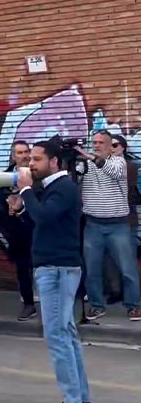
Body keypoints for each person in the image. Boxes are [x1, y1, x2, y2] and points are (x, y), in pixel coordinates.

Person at [11, 139, 90, 403]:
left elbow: (44, 215)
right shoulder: (53, 189)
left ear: (54, 162)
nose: (30, 164)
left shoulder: (64, 188)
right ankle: (80, 400)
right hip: (58, 267)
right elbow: (45, 220)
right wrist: (23, 205)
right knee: (67, 335)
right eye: (30, 159)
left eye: (36, 159)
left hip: (57, 269)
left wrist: (27, 191)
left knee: (57, 337)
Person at [80, 130, 139, 322]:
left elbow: (113, 172)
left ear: (109, 146)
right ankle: (97, 306)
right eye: (94, 142)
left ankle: (134, 306)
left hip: (118, 226)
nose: (96, 146)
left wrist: (92, 159)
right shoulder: (85, 165)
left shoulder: (118, 162)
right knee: (92, 269)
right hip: (93, 225)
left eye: (101, 143)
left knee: (127, 269)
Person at [0, 140, 38, 321]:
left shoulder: (39, 174)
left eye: (27, 151)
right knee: (22, 268)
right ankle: (29, 304)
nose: (24, 155)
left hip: (37, 227)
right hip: (18, 231)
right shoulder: (5, 177)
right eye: (19, 153)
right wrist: (7, 208)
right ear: (13, 156)